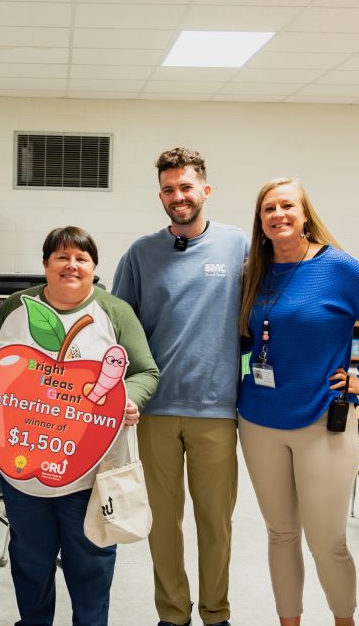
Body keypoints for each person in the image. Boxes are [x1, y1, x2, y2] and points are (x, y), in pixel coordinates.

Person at [237, 177, 359, 626]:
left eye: (287, 206)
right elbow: (248, 338)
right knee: (280, 534)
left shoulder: (337, 267)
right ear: (260, 221)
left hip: (322, 420)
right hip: (258, 420)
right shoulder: (254, 271)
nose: (278, 215)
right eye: (268, 209)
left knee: (327, 541)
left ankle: (343, 620)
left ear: (305, 215)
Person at [0, 226, 159, 626]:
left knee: (91, 563)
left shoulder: (115, 312)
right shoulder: (18, 307)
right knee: (30, 562)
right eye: (61, 257)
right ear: (45, 264)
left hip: (90, 471)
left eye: (81, 258)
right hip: (24, 471)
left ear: (93, 267)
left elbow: (145, 372)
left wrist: (127, 399)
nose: (72, 265)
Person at [112, 147, 246, 626]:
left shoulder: (237, 246)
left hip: (216, 410)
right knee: (162, 524)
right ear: (161, 197)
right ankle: (172, 614)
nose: (178, 196)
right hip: (155, 411)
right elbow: (118, 330)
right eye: (168, 189)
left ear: (205, 190)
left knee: (216, 523)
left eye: (186, 186)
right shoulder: (141, 254)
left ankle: (216, 613)